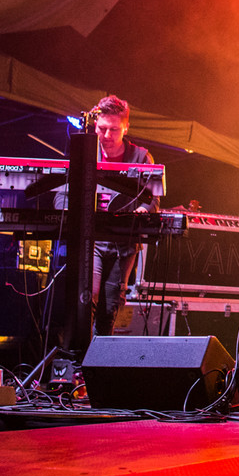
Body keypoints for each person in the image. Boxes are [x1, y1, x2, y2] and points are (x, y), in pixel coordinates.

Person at [90, 94, 156, 337]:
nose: (107, 135)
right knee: (88, 297)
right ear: (94, 125)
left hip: (124, 244)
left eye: (114, 130)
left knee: (109, 308)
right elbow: (63, 190)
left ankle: (97, 359)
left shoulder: (141, 157)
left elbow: (153, 198)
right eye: (102, 129)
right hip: (92, 239)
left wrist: (144, 209)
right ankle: (79, 355)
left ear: (126, 127)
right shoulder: (86, 152)